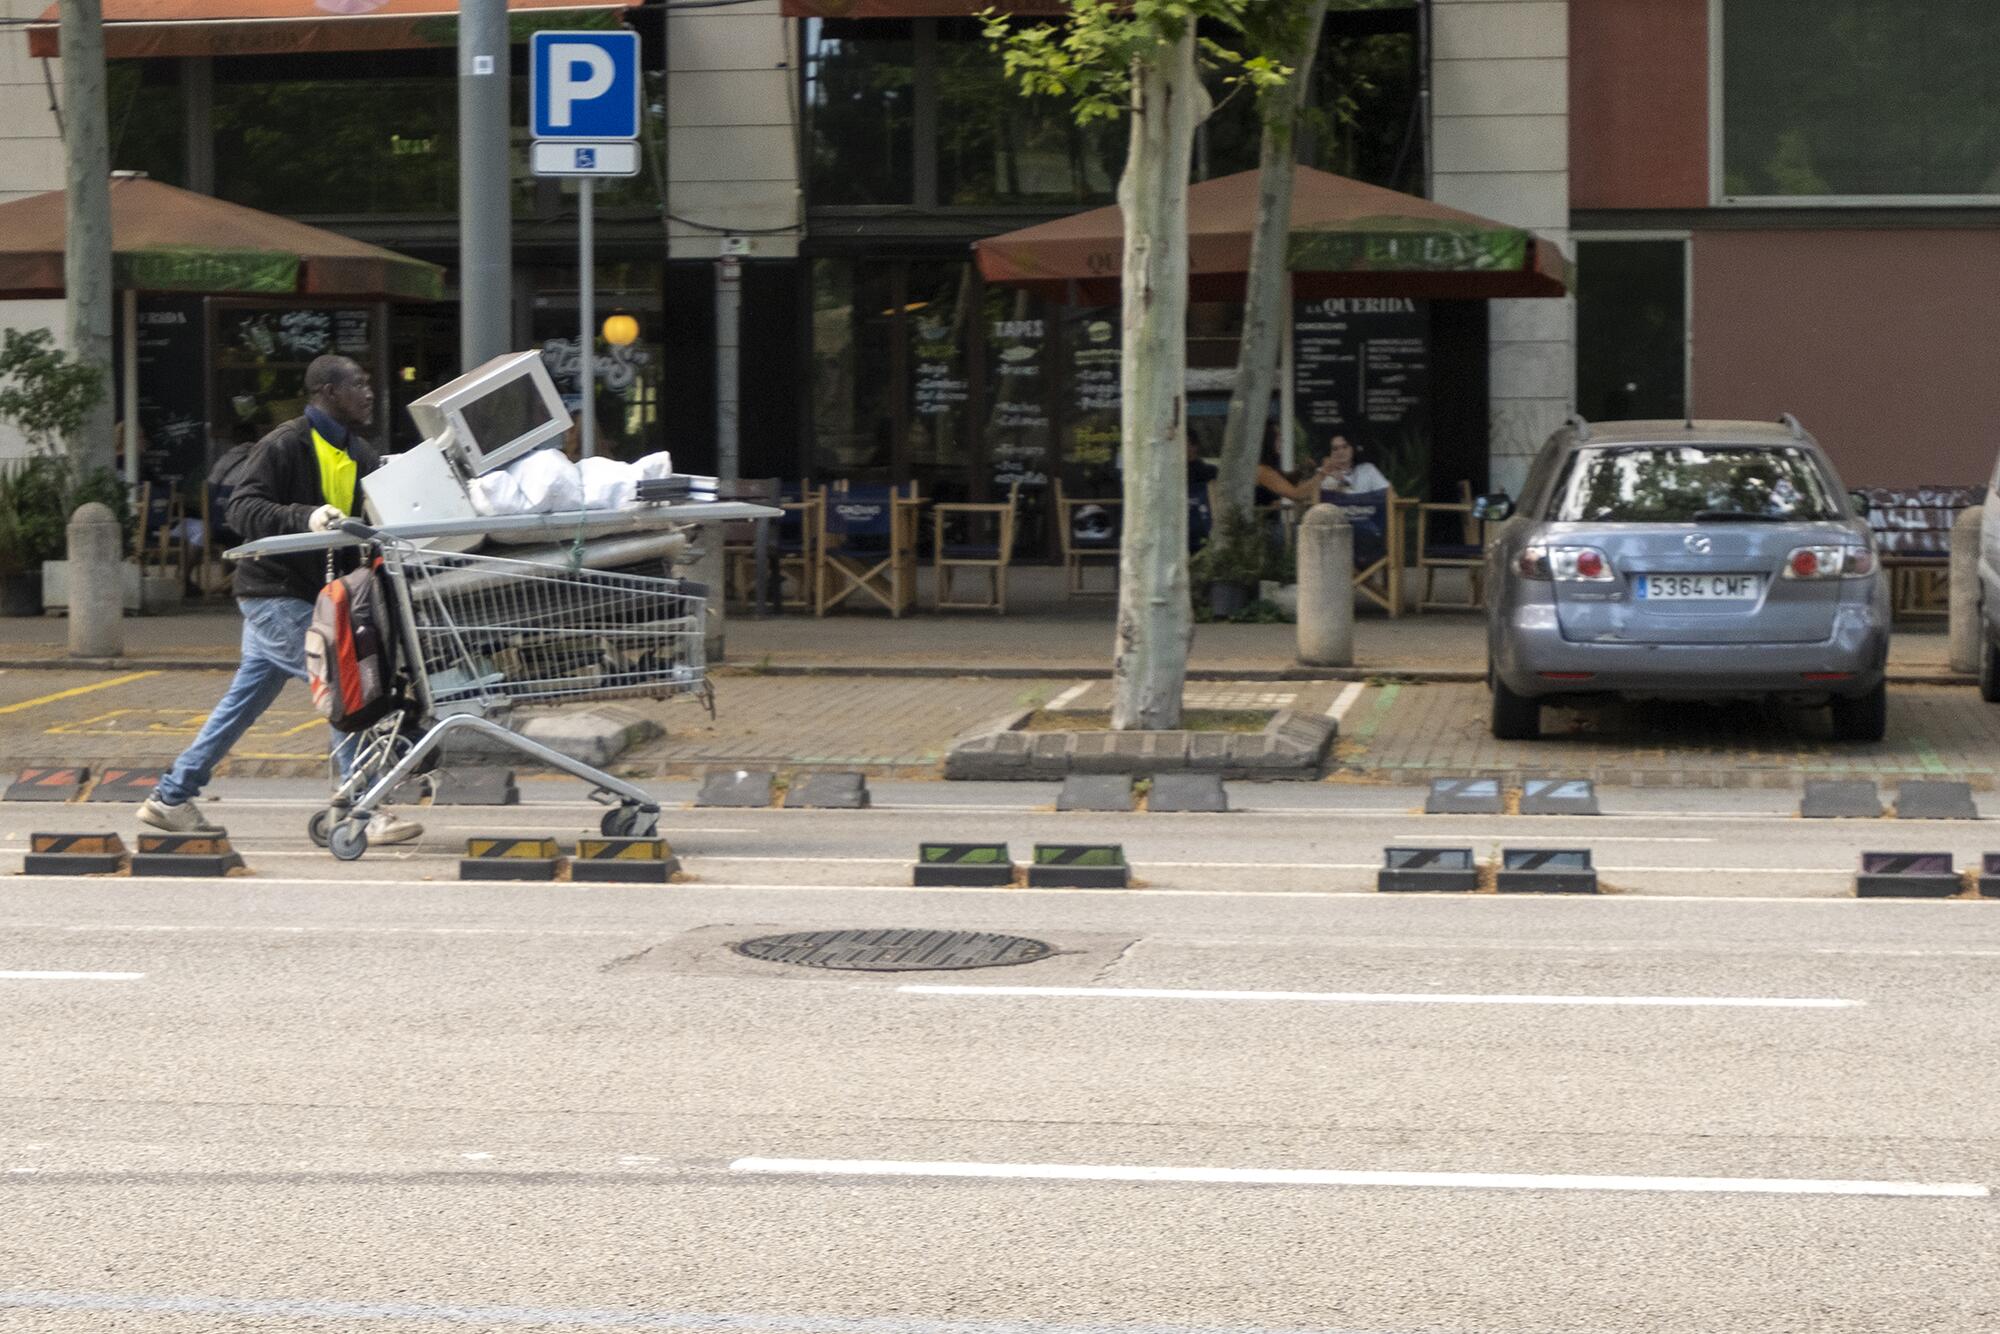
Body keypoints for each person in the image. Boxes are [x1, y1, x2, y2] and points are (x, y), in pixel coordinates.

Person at [139, 355, 423, 845]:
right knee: (345, 687)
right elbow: (243, 508)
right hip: (274, 594)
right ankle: (362, 809)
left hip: (306, 597)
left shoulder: (359, 451)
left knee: (242, 704)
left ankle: (171, 797)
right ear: (327, 392)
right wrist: (304, 517)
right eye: (358, 384)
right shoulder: (285, 443)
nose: (369, 393)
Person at [1318, 433, 1393, 495]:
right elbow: (1310, 497)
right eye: (1335, 449)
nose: (1340, 452)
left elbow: (1389, 495)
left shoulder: (1368, 469)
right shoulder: (1321, 473)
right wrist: (1323, 474)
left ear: (1353, 449)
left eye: (1345, 447)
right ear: (1330, 452)